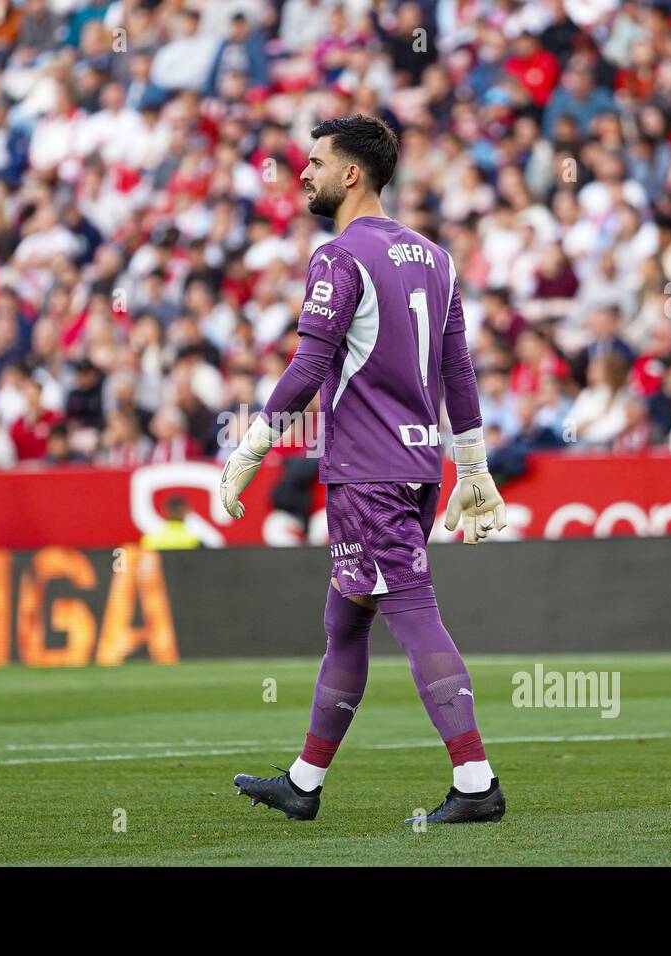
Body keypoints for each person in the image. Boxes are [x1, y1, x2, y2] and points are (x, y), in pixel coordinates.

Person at [221, 115, 508, 825]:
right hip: (416, 467)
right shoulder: (435, 258)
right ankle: (303, 781)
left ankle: (476, 784)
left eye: (315, 162)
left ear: (353, 174)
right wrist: (471, 463)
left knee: (413, 613)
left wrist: (252, 446)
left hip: (368, 471)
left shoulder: (338, 257)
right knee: (345, 622)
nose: (305, 173)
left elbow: (311, 364)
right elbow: (458, 372)